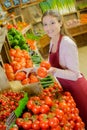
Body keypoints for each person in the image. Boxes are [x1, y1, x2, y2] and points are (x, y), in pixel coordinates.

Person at [42, 9, 87, 128]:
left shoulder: (67, 43)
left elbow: (74, 74)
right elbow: (49, 64)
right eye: (45, 24)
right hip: (67, 87)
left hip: (77, 88)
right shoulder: (52, 41)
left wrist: (54, 71)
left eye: (52, 23)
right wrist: (33, 69)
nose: (48, 27)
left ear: (60, 22)